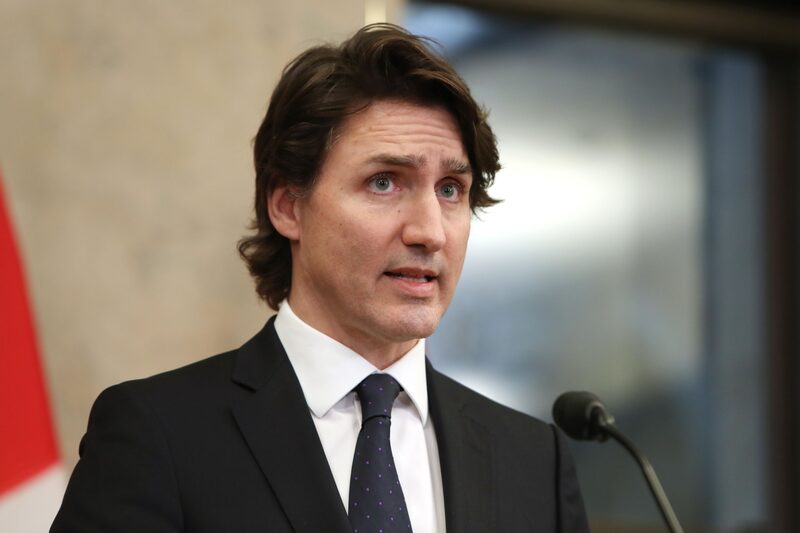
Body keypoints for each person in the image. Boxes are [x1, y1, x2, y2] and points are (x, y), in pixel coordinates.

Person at [51, 23, 589, 533]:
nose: (430, 232)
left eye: (450, 189)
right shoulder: (158, 434)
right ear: (288, 206)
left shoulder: (533, 460)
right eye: (384, 182)